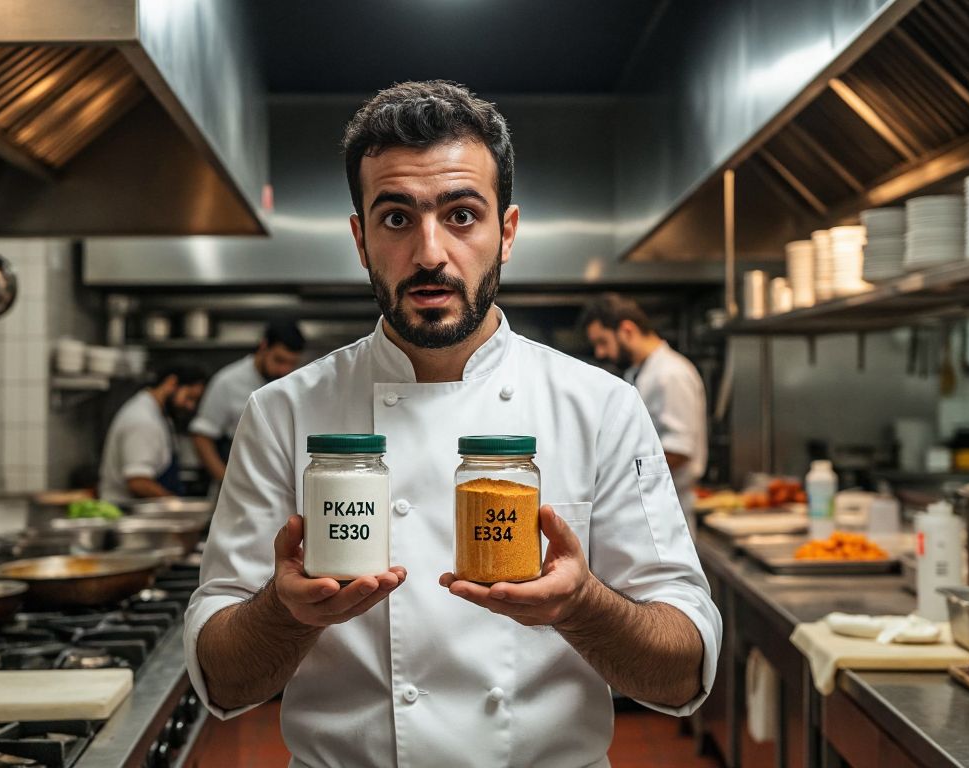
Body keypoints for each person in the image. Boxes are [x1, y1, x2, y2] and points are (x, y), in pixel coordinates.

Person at [184, 80, 719, 767]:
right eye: (397, 218)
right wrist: (285, 613)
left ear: (508, 232)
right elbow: (222, 681)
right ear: (360, 238)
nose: (430, 252)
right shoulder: (283, 413)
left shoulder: (600, 408)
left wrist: (581, 604)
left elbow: (684, 671)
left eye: (462, 215)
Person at [581, 294, 708, 523]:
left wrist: (613, 476)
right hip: (648, 506)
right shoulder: (639, 373)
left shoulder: (671, 374)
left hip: (667, 511)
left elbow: (679, 451)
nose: (600, 353)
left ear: (627, 330)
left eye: (603, 342)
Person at [190, 321, 306, 486]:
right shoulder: (228, 382)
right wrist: (227, 483)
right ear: (264, 346)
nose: (284, 370)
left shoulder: (296, 383)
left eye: (291, 363)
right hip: (240, 478)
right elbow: (202, 437)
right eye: (279, 360)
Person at [97, 365, 207, 503]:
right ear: (171, 383)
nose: (190, 406)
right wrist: (176, 505)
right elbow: (138, 482)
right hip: (129, 513)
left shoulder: (160, 414)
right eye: (189, 397)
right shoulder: (142, 420)